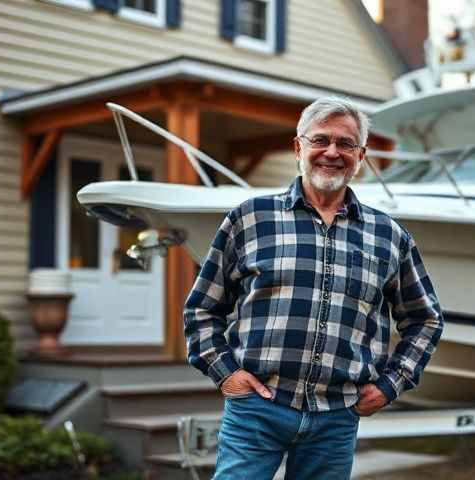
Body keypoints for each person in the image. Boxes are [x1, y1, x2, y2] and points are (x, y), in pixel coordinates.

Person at [183, 96, 444, 480]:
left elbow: (425, 319)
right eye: (320, 140)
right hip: (257, 409)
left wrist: (391, 384)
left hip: (336, 418)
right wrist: (225, 373)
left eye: (346, 144)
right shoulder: (250, 218)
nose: (332, 152)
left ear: (362, 155)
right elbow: (202, 308)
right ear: (298, 147)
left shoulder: (390, 236)